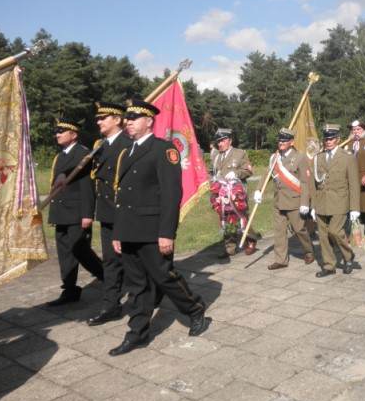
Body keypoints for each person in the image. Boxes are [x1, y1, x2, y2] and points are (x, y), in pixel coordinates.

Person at [110, 100, 208, 356]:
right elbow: (122, 197)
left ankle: (195, 309)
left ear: (149, 121)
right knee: (137, 286)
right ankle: (137, 334)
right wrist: (118, 233)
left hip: (153, 230)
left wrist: (167, 233)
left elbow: (170, 195)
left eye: (134, 117)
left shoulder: (164, 150)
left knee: (164, 277)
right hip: (130, 230)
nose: (128, 121)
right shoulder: (126, 152)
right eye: (126, 117)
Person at [46, 119, 104, 306]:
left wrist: (87, 214)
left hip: (77, 213)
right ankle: (70, 289)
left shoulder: (84, 154)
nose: (57, 134)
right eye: (56, 132)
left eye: (62, 131)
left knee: (81, 250)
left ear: (74, 134)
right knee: (64, 253)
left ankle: (107, 278)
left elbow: (87, 186)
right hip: (61, 212)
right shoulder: (59, 156)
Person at [87, 102, 132, 325]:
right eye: (98, 118)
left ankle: (145, 299)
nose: (98, 122)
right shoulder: (99, 145)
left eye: (103, 117)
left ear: (117, 119)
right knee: (111, 262)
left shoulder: (129, 144)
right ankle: (110, 305)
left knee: (135, 261)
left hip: (126, 213)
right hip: (106, 213)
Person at [253, 128, 314, 270]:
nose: (281, 143)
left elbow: (305, 182)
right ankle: (281, 260)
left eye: (285, 140)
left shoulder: (300, 157)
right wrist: (258, 190)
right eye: (280, 140)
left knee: (299, 230)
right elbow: (266, 175)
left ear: (291, 142)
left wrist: (305, 202)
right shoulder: (274, 158)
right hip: (278, 201)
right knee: (279, 231)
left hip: (294, 201)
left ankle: (309, 250)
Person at [312, 124, 359, 277]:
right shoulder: (318, 158)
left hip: (340, 201)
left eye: (331, 138)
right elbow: (314, 183)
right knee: (323, 236)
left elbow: (353, 184)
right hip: (321, 202)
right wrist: (313, 205)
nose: (328, 141)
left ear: (338, 140)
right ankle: (329, 265)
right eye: (326, 138)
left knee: (335, 231)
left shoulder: (347, 158)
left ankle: (348, 256)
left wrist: (355, 208)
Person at [210, 128, 259, 257]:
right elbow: (214, 172)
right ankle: (229, 248)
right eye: (218, 141)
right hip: (222, 194)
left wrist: (236, 173)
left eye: (222, 140)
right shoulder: (216, 156)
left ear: (229, 140)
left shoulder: (239, 153)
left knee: (241, 217)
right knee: (225, 218)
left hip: (236, 193)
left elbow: (248, 171)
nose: (219, 144)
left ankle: (251, 240)